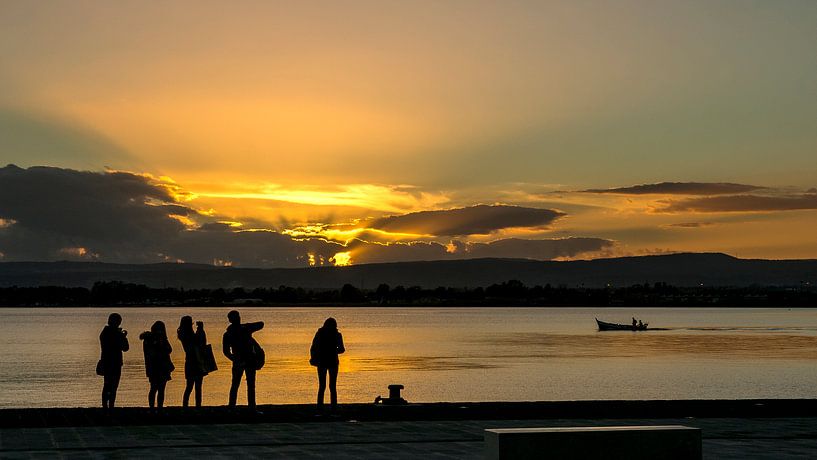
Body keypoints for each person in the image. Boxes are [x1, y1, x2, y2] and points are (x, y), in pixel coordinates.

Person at [222, 310, 264, 409]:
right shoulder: (241, 330)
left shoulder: (231, 332)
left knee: (240, 385)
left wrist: (234, 359)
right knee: (243, 385)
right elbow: (226, 351)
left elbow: (261, 324)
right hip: (244, 360)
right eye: (237, 317)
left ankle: (237, 407)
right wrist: (235, 359)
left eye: (238, 317)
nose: (239, 318)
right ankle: (246, 407)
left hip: (246, 360)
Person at [310, 317, 345, 412]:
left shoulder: (320, 334)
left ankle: (320, 406)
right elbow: (342, 349)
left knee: (322, 386)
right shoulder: (337, 335)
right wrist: (333, 351)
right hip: (332, 362)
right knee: (332, 386)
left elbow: (313, 347)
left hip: (322, 361)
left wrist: (314, 357)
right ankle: (333, 407)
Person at [139, 321, 174, 409]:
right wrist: (160, 344)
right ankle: (153, 407)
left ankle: (159, 407)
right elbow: (153, 353)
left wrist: (162, 343)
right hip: (156, 367)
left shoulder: (162, 339)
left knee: (160, 389)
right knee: (155, 388)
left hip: (161, 367)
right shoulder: (149, 339)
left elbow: (169, 349)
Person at [99, 313, 129, 409]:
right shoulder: (116, 334)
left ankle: (105, 406)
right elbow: (125, 348)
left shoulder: (104, 333)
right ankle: (110, 406)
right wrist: (123, 336)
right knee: (113, 386)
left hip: (106, 362)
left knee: (107, 385)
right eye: (119, 321)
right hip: (114, 363)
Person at [178, 316, 208, 407]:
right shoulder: (187, 335)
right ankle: (196, 406)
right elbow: (200, 343)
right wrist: (200, 330)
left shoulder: (183, 334)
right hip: (195, 362)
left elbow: (200, 342)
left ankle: (187, 405)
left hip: (191, 362)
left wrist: (200, 330)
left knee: (190, 386)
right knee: (196, 387)